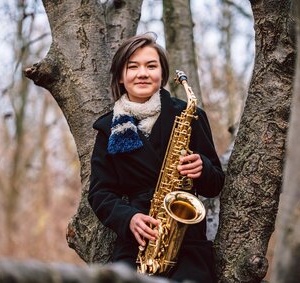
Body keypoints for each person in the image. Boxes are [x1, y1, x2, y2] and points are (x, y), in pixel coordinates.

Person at [88, 33, 225, 282]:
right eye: (133, 67)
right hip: (137, 245)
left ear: (162, 74)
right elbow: (100, 193)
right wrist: (128, 218)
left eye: (151, 66)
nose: (142, 73)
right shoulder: (108, 128)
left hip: (189, 242)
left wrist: (202, 168)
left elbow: (215, 182)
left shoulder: (188, 115)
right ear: (121, 76)